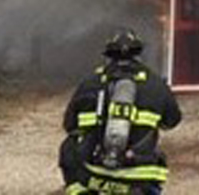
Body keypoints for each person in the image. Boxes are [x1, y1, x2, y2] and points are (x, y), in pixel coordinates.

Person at [60, 28, 182, 194]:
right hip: (140, 177)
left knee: (68, 147)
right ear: (138, 53)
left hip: (93, 175)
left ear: (108, 55)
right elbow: (172, 121)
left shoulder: (89, 83)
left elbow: (70, 125)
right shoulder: (156, 84)